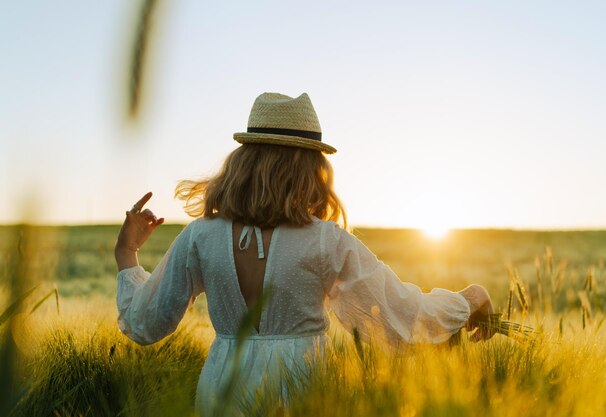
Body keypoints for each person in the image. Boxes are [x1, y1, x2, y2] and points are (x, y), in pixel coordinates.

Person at [114, 92, 495, 416]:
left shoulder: (200, 237)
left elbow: (145, 322)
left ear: (243, 162)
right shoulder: (327, 242)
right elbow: (401, 321)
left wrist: (127, 252)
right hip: (303, 392)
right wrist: (469, 299)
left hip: (221, 394)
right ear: (310, 168)